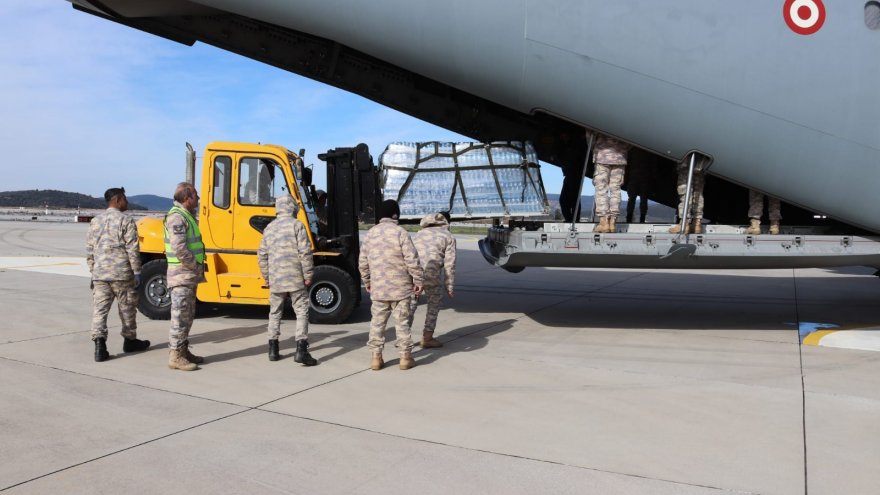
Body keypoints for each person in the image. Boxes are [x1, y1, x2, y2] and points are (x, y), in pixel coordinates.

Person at [358, 199, 424, 370]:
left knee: (377, 324)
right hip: (401, 289)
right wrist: (418, 280)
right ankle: (405, 358)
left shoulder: (370, 234)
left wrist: (367, 281)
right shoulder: (400, 232)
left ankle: (376, 358)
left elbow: (363, 262)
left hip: (379, 288)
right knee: (402, 324)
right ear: (396, 215)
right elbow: (412, 259)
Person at [86, 187, 149, 362]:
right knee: (127, 309)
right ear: (118, 200)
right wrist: (137, 272)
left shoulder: (95, 221)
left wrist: (94, 270)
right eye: (125, 199)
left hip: (100, 275)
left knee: (100, 311)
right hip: (122, 274)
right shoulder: (126, 221)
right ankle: (130, 341)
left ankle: (99, 346)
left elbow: (89, 250)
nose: (127, 202)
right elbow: (132, 249)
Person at [258, 194, 317, 365]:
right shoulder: (297, 226)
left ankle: (273, 349)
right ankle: (301, 349)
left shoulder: (269, 228)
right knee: (301, 311)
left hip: (276, 278)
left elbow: (262, 254)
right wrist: (308, 275)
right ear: (292, 207)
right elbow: (304, 252)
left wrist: (267, 276)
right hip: (295, 278)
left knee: (275, 312)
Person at [164, 182, 206, 371]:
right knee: (180, 317)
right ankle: (175, 356)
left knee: (187, 316)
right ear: (186, 198)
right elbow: (179, 248)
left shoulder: (186, 216)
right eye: (195, 195)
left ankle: (183, 350)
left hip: (187, 275)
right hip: (181, 274)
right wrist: (195, 265)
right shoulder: (177, 218)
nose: (198, 198)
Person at [411, 211, 456, 348]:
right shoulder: (448, 236)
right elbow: (450, 264)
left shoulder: (418, 234)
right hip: (432, 273)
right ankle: (427, 338)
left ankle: (403, 338)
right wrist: (449, 285)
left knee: (410, 305)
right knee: (433, 304)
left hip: (413, 273)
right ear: (447, 222)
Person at [592, 134, 631, 233]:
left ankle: (604, 222)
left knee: (601, 189)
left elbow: (590, 133)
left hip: (602, 155)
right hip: (620, 157)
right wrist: (623, 148)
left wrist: (594, 146)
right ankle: (613, 222)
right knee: (615, 189)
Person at [669, 154, 711, 234]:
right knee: (698, 190)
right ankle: (696, 223)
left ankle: (684, 223)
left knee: (684, 188)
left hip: (688, 158)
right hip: (701, 159)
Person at [623, 148, 657, 223]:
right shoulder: (649, 150)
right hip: (642, 177)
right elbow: (653, 166)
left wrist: (625, 179)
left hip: (635, 177)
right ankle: (640, 218)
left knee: (633, 199)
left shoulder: (633, 150)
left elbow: (627, 165)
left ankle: (630, 217)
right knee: (642, 199)